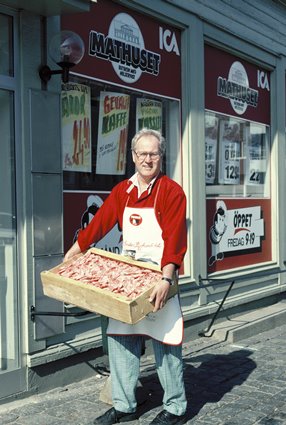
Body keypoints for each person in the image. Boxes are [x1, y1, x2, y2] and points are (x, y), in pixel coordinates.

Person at [64, 128, 188, 425]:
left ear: (162, 156)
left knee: (166, 342)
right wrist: (75, 251)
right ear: (133, 156)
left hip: (160, 276)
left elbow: (175, 238)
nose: (148, 159)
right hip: (129, 277)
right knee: (121, 339)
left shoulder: (172, 192)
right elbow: (100, 222)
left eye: (153, 153)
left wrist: (167, 278)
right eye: (142, 153)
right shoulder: (123, 191)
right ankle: (124, 404)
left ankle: (175, 407)